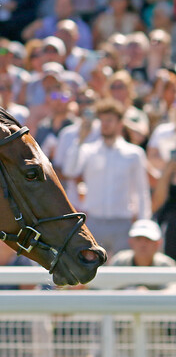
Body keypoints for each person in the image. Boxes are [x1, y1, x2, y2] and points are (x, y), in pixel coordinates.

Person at [63, 98, 151, 256]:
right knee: (92, 272)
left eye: (109, 120)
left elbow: (142, 191)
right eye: (102, 120)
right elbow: (70, 170)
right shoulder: (88, 150)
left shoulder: (134, 154)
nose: (105, 124)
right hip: (94, 222)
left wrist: (143, 224)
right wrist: (80, 139)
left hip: (123, 223)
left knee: (122, 273)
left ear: (120, 124)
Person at [108, 220, 176, 290]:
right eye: (138, 239)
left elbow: (172, 291)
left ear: (158, 243)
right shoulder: (119, 262)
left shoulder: (167, 266)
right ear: (130, 241)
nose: (143, 244)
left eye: (148, 239)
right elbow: (108, 289)